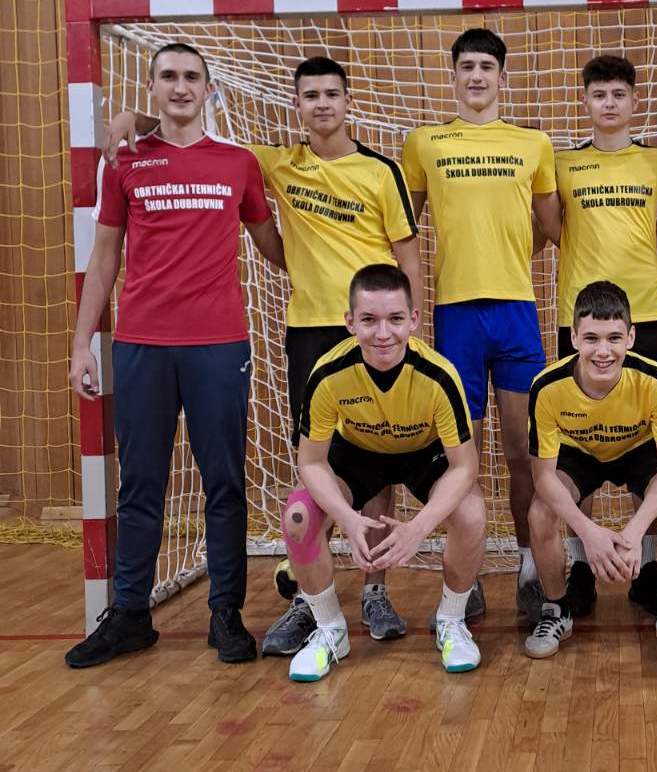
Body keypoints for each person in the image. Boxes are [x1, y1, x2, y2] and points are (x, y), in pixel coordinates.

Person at [102, 56, 469, 654]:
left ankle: (374, 588)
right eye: (310, 95)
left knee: (380, 451)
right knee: (322, 458)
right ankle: (309, 598)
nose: (322, 104)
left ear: (348, 101)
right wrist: (134, 118)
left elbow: (407, 255)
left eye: (332, 94)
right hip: (310, 330)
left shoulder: (381, 171)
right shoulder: (270, 161)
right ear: (296, 105)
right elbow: (189, 128)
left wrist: (410, 324)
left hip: (375, 328)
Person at [65, 43, 286, 668]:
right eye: (169, 77)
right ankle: (131, 614)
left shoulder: (239, 163)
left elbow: (274, 245)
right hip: (141, 347)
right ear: (153, 88)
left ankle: (226, 614)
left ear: (210, 90)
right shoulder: (125, 163)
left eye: (192, 77)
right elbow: (103, 258)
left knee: (224, 483)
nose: (181, 87)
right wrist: (82, 343)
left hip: (218, 345)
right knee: (140, 484)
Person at [401, 28, 560, 620]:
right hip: (456, 316)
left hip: (516, 312)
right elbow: (400, 226)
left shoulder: (532, 143)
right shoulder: (424, 142)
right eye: (466, 65)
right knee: (459, 456)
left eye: (486, 66)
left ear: (502, 77)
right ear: (453, 75)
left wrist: (507, 249)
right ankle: (465, 581)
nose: (476, 76)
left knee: (523, 451)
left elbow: (553, 227)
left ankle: (527, 566)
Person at [281, 264, 486, 680]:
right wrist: (346, 517)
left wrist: (418, 528)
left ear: (413, 320)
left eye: (395, 319)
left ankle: (451, 621)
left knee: (471, 512)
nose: (383, 333)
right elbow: (311, 462)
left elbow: (465, 466)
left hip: (421, 453)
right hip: (358, 453)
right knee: (297, 517)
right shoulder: (328, 373)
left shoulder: (439, 376)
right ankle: (330, 630)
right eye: (369, 320)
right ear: (350, 322)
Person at [545, 55, 657, 618]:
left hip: (642, 318)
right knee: (578, 446)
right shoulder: (562, 165)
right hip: (578, 321)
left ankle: (644, 562)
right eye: (598, 94)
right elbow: (552, 229)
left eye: (618, 94)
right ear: (584, 101)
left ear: (634, 101)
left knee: (644, 443)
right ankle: (581, 562)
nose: (608, 103)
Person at [523, 282, 657, 660]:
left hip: (637, 450)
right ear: (574, 338)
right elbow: (543, 477)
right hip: (579, 453)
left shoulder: (654, 380)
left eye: (614, 338)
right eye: (591, 338)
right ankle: (556, 609)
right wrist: (589, 533)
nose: (603, 351)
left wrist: (635, 531)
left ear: (631, 338)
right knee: (540, 512)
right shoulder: (547, 387)